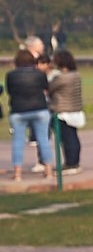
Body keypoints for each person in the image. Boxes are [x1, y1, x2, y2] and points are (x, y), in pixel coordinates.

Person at [7, 49, 53, 182]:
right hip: (39, 108)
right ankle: (48, 170)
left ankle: (17, 174)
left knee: (18, 142)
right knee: (43, 140)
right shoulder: (39, 74)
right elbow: (46, 89)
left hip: (18, 110)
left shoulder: (11, 75)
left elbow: (10, 92)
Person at [47, 49, 85, 172]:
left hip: (63, 111)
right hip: (74, 109)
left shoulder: (62, 78)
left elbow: (50, 88)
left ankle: (71, 163)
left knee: (67, 139)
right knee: (72, 137)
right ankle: (74, 162)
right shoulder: (75, 75)